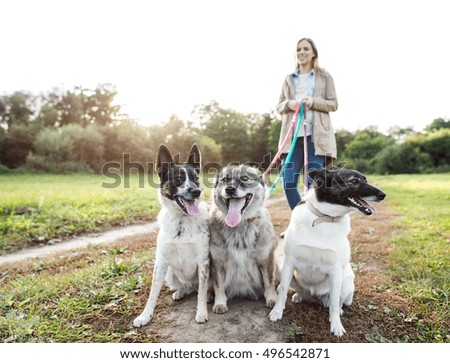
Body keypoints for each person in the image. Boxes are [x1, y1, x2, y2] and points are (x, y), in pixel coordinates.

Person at [276, 37, 338, 211]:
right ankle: (299, 218)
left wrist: (313, 101)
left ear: (313, 53)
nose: (301, 53)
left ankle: (313, 223)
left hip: (316, 139)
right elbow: (279, 105)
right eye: (299, 50)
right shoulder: (289, 78)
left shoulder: (324, 76)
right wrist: (290, 104)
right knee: (288, 182)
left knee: (313, 185)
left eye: (306, 49)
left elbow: (333, 104)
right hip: (292, 140)